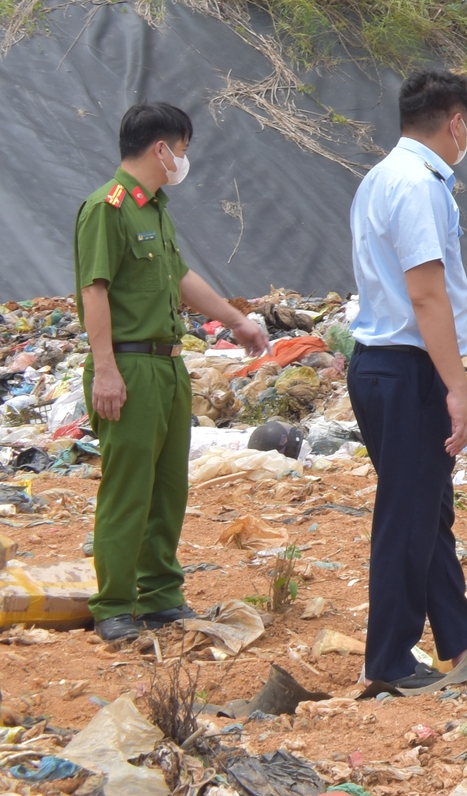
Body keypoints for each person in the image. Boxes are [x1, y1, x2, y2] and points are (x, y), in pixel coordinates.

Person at [78, 102, 271, 644]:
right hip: (129, 365)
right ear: (161, 149)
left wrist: (235, 321)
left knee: (167, 488)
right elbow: (93, 291)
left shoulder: (154, 209)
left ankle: (160, 594)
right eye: (182, 149)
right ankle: (115, 603)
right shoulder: (108, 208)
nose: (184, 160)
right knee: (128, 489)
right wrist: (106, 371)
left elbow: (180, 276)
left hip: (167, 365)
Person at [346, 69, 467, 696]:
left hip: (380, 363)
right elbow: (426, 293)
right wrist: (457, 385)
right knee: (406, 517)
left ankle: (462, 637)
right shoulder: (419, 185)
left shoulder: (381, 176)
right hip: (408, 367)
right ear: (457, 122)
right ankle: (386, 659)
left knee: (426, 508)